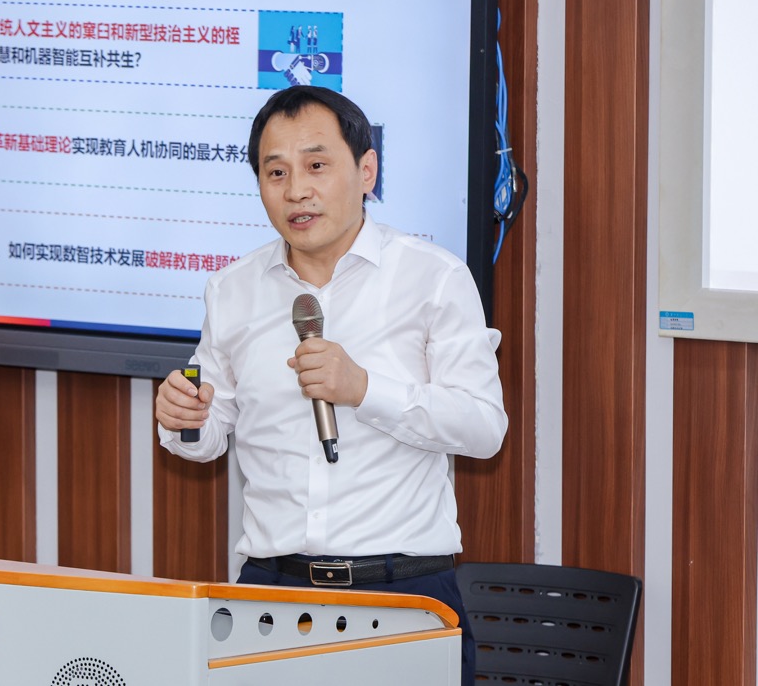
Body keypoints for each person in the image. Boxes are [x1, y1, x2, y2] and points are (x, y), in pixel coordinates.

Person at [155, 85, 506, 686]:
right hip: (270, 595)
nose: (296, 190)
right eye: (276, 172)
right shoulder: (232, 289)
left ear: (366, 170)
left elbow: (483, 428)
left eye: (316, 165)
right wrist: (183, 416)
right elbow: (208, 437)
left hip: (403, 594)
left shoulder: (433, 278)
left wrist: (365, 389)